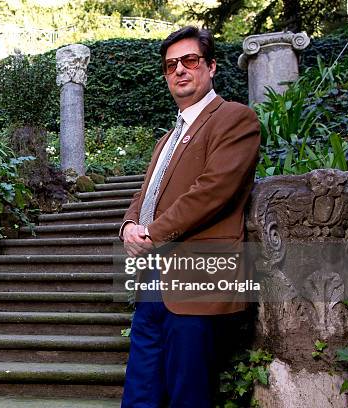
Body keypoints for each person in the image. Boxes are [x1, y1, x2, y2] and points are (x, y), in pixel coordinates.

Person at [119, 26, 261, 407]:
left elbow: (213, 191)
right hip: (152, 277)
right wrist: (129, 225)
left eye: (190, 60)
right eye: (170, 65)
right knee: (141, 389)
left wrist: (151, 232)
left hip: (199, 279)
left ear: (211, 67)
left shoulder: (234, 118)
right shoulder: (166, 139)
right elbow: (144, 193)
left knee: (189, 393)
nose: (179, 70)